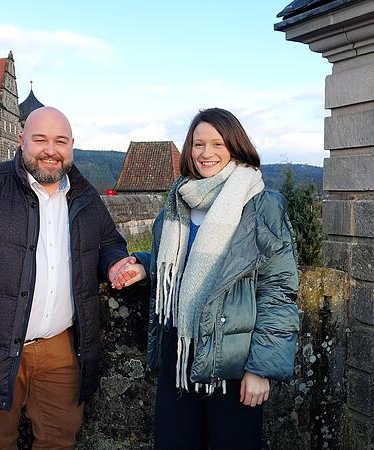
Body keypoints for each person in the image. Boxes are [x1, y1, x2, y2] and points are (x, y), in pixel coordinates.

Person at [0, 106, 134, 450]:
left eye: (60, 141)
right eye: (41, 139)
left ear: (71, 146)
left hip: (58, 347)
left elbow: (109, 241)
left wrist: (114, 265)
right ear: (22, 141)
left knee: (59, 438)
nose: (51, 150)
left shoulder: (84, 196)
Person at [113, 108, 300, 450]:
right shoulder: (178, 201)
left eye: (217, 143)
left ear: (235, 146)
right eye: (198, 144)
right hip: (179, 353)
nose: (206, 153)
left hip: (233, 357)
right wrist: (144, 264)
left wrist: (261, 369)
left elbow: (278, 290)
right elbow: (181, 267)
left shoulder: (261, 205)